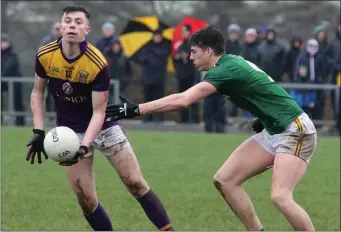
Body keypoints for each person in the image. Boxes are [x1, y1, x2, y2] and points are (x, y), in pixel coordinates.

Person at [106, 26, 317, 231]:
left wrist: (135, 110)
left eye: (194, 52)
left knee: (280, 196)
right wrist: (264, 115)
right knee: (225, 181)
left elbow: (183, 100)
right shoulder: (230, 64)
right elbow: (264, 87)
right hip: (275, 128)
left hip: (294, 129)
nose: (190, 57)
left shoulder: (224, 70)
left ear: (208, 51)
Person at [25, 6, 174, 231]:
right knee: (86, 199)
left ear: (87, 29)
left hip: (103, 126)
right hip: (70, 132)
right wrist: (38, 131)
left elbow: (99, 112)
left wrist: (85, 146)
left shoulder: (97, 62)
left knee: (135, 183)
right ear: (61, 26)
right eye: (67, 21)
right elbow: (37, 93)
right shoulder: (45, 55)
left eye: (78, 22)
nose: (72, 25)